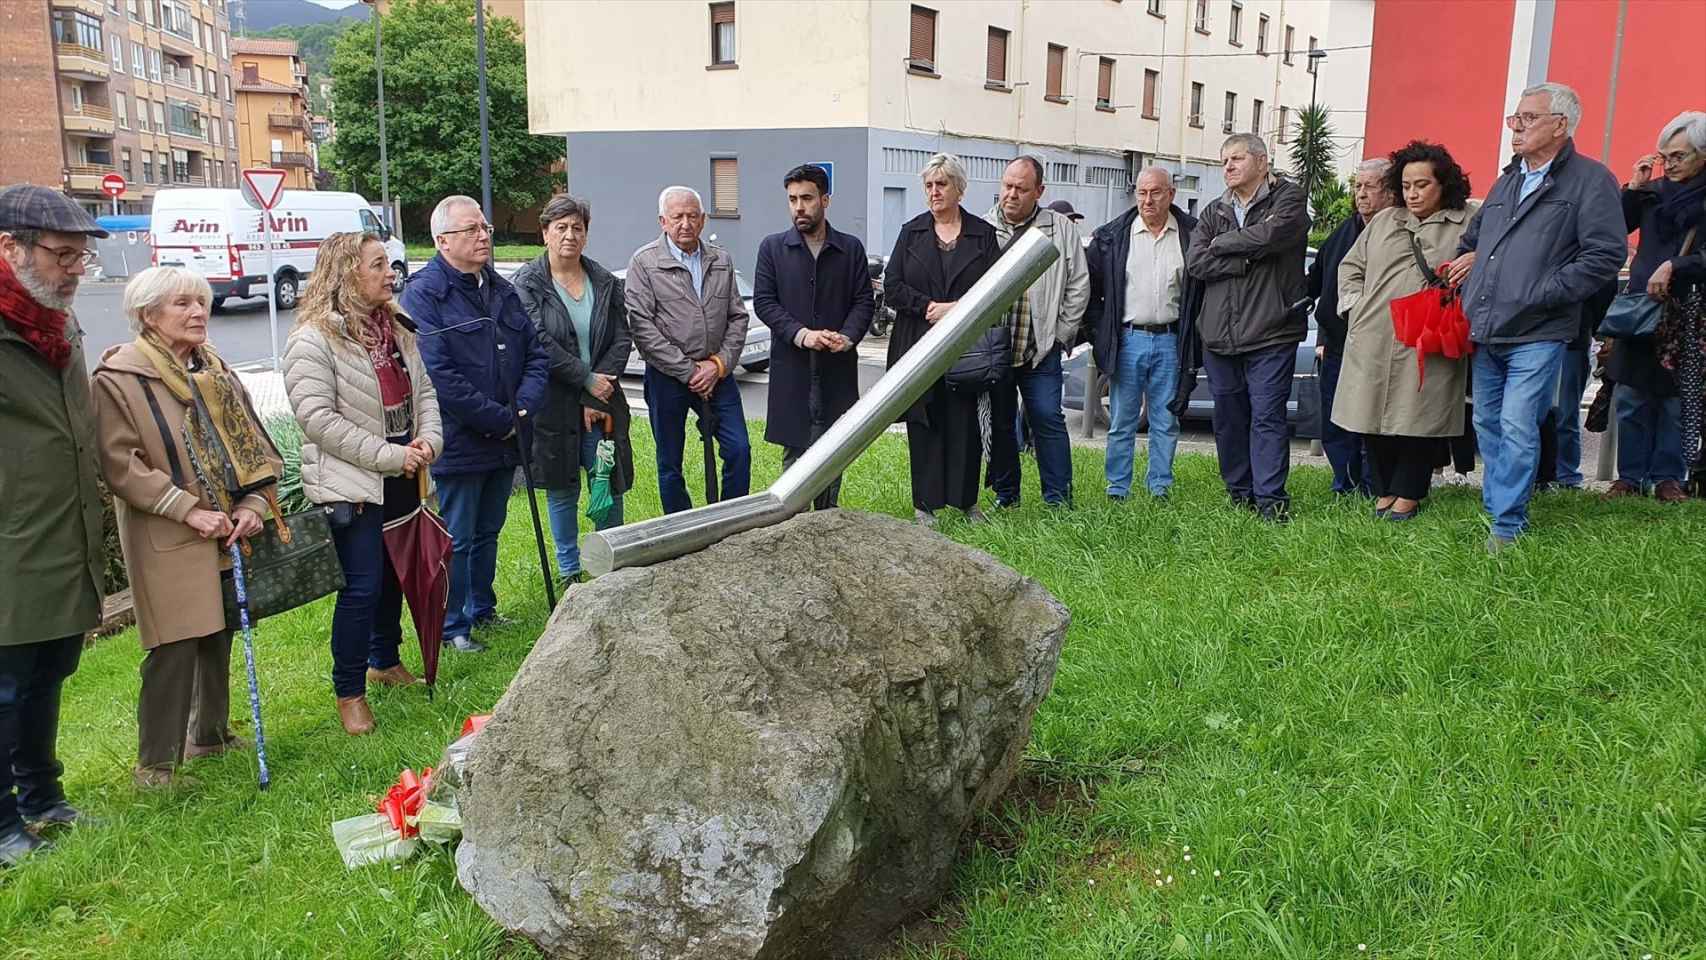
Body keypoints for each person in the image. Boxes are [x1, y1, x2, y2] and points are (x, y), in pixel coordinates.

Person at [91, 266, 280, 787]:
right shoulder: (119, 378)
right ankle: (155, 765)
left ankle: (209, 736)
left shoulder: (212, 367)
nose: (199, 312)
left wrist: (251, 505)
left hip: (224, 525)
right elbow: (120, 463)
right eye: (183, 304)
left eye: (201, 301)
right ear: (148, 315)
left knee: (217, 628)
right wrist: (186, 508)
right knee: (173, 643)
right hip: (168, 530)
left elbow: (248, 443)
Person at [1447, 82, 1624, 550]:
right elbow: (1475, 238)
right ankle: (1497, 507)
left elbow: (1606, 254)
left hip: (1540, 329)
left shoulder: (1591, 180)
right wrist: (1469, 266)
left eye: (1528, 118)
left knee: (1518, 423)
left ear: (1560, 126)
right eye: (1515, 118)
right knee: (1488, 424)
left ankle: (1507, 525)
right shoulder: (1508, 179)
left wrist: (1546, 292)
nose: (1517, 126)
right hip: (1488, 327)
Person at [282, 232, 443, 736]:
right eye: (378, 265)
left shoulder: (397, 327)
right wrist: (392, 456)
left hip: (400, 471)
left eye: (389, 264)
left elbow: (425, 392)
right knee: (361, 586)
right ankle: (349, 693)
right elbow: (317, 419)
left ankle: (384, 660)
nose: (390, 273)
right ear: (347, 273)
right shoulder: (313, 339)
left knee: (394, 574)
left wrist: (428, 442)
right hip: (352, 483)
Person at [0, 186, 107, 865]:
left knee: (50, 670)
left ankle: (42, 795)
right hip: (10, 541)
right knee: (5, 685)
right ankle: (4, 826)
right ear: (9, 248)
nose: (73, 271)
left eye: (80, 259)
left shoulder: (56, 322)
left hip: (63, 533)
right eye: (62, 255)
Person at [401, 196, 549, 652]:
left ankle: (483, 609)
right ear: (442, 241)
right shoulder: (425, 295)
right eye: (471, 229)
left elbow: (536, 354)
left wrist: (519, 412)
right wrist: (498, 418)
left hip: (506, 438)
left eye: (484, 227)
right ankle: (452, 625)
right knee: (459, 537)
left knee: (490, 529)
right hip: (460, 439)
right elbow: (438, 375)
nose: (484, 235)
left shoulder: (500, 289)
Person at [1334, 141, 1478, 521]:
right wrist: (1355, 306)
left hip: (1430, 335)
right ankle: (1384, 491)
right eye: (1407, 185)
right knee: (1371, 415)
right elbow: (1350, 267)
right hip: (1374, 334)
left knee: (1420, 418)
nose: (1413, 194)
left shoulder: (1469, 219)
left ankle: (1409, 493)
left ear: (1443, 183)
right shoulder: (1384, 220)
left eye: (1423, 185)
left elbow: (1499, 256)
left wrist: (1474, 260)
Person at [1185, 133, 1312, 522]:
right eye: (1224, 161)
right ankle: (1239, 492)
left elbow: (1274, 235)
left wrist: (1221, 244)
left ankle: (1270, 500)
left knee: (1267, 416)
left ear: (1261, 161)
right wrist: (1242, 259)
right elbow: (1196, 263)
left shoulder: (1288, 198)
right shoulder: (1213, 209)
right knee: (1228, 416)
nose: (1228, 167)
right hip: (1219, 335)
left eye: (1236, 159)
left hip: (1272, 330)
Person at [513, 195, 635, 581]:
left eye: (577, 228)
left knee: (607, 483)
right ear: (545, 232)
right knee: (562, 488)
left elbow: (622, 336)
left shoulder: (604, 281)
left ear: (586, 234)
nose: (569, 235)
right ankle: (569, 571)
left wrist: (594, 390)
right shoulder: (527, 283)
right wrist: (585, 380)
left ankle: (609, 563)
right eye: (561, 227)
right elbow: (538, 341)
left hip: (603, 401)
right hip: (553, 404)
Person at [884, 153, 1001, 524]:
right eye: (929, 185)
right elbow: (892, 287)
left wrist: (957, 308)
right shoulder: (912, 231)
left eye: (942, 184)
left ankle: (967, 502)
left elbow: (996, 289)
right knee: (925, 421)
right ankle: (925, 504)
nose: (934, 192)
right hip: (918, 342)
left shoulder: (982, 234)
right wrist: (927, 306)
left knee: (964, 422)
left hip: (966, 346)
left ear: (959, 189)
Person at [752, 164, 874, 509]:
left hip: (837, 368)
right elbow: (764, 302)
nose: (798, 207)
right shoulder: (773, 248)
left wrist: (848, 337)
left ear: (825, 199)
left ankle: (827, 521)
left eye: (806, 198)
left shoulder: (849, 249)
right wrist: (801, 334)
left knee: (834, 449)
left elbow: (864, 300)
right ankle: (791, 522)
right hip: (793, 368)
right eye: (792, 199)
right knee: (795, 453)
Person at [625, 186, 752, 514]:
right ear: (662, 221)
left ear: (703, 219)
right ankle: (681, 527)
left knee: (739, 448)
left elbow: (738, 317)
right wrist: (688, 370)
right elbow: (642, 328)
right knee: (670, 460)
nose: (685, 223)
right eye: (677, 216)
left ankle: (731, 519)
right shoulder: (644, 263)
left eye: (692, 216)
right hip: (668, 377)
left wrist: (719, 365)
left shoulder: (720, 260)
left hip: (717, 374)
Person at [1604, 110, 1706, 501]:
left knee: (1675, 397)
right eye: (1665, 156)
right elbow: (1615, 227)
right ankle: (1629, 476)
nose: (1670, 165)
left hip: (1691, 311)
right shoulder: (1653, 192)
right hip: (1643, 307)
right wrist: (1633, 187)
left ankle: (1667, 477)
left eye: (1679, 156)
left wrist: (1676, 264)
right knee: (1631, 394)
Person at [1087, 166, 1205, 501]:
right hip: (1128, 340)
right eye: (1142, 193)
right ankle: (1117, 490)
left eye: (1155, 192)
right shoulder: (1113, 237)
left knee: (1165, 421)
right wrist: (1099, 334)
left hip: (1171, 340)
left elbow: (1198, 295)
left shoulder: (1190, 235)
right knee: (1122, 421)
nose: (1148, 200)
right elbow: (1091, 291)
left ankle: (1159, 490)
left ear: (1171, 194)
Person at [982, 156, 1090, 508]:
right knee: (999, 423)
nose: (1011, 195)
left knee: (1047, 418)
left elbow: (1078, 284)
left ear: (1039, 191)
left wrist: (1061, 334)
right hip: (995, 350)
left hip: (1039, 349)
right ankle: (1006, 495)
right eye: (1007, 186)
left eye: (1021, 188)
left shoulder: (1060, 229)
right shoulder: (984, 228)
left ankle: (1059, 500)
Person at [1309, 158, 1394, 496]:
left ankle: (1375, 485)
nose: (1361, 194)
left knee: (1374, 419)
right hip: (1338, 343)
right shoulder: (1343, 231)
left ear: (1388, 192)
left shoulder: (1399, 231)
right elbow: (1318, 283)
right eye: (1357, 186)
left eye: (1369, 186)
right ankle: (1343, 481)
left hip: (1380, 344)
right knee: (1336, 418)